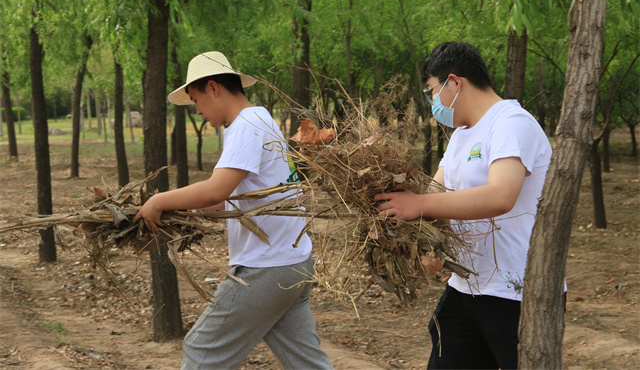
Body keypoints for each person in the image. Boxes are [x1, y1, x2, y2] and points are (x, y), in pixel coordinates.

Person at [133, 51, 333, 370]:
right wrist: (188, 209)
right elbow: (238, 193)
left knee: (201, 352)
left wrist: (158, 201)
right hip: (293, 264)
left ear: (214, 88)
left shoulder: (245, 125)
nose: (197, 111)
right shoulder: (262, 118)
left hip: (266, 268)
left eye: (196, 100)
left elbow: (217, 188)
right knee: (307, 364)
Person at [375, 41, 553, 369]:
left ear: (454, 83)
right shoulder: (461, 135)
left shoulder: (511, 123)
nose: (433, 102)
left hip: (514, 293)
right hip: (466, 286)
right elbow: (437, 191)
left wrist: (419, 204)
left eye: (432, 91)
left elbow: (501, 195)